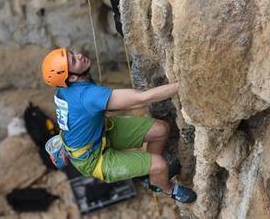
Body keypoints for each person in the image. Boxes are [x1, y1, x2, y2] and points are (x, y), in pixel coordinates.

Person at [41, 48, 197, 203]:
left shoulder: (64, 90)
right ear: (73, 78)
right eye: (74, 61)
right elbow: (141, 99)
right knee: (160, 165)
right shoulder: (86, 96)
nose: (79, 56)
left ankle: (151, 175)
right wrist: (182, 84)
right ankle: (167, 188)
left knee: (161, 130)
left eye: (72, 54)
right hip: (94, 159)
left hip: (100, 132)